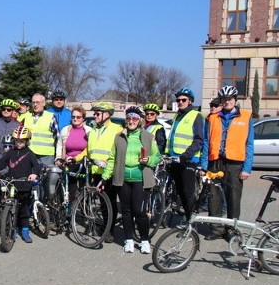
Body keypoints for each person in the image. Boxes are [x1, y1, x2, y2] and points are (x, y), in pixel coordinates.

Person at [98, 107, 161, 254]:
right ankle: (129, 240)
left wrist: (149, 160)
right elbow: (112, 159)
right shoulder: (119, 137)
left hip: (141, 179)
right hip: (123, 179)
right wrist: (105, 178)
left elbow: (157, 157)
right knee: (126, 211)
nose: (131, 121)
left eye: (134, 119)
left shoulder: (148, 137)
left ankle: (145, 240)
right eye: (129, 118)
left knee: (139, 212)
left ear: (140, 121)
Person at [201, 85, 254, 241]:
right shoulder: (212, 118)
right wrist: (204, 165)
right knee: (214, 196)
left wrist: (247, 168)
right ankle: (216, 228)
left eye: (230, 99)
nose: (227, 102)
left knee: (233, 197)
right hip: (215, 161)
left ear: (235, 100)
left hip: (235, 163)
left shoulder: (246, 116)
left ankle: (231, 229)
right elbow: (206, 141)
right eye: (224, 99)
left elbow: (249, 144)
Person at [0, 126, 40, 243]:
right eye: (17, 141)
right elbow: (0, 163)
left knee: (24, 210)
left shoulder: (29, 153)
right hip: (11, 184)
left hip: (24, 185)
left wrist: (34, 174)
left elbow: (36, 167)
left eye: (21, 141)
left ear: (27, 141)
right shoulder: (10, 153)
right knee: (10, 206)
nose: (19, 143)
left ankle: (25, 230)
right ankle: (10, 228)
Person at [166, 88, 204, 229]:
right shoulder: (177, 116)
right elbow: (173, 138)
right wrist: (168, 155)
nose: (180, 102)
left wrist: (186, 155)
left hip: (188, 160)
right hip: (175, 160)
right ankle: (187, 219)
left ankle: (191, 223)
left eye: (183, 100)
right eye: (178, 100)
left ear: (190, 101)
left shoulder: (196, 115)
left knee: (189, 193)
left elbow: (199, 139)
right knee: (180, 192)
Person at [87, 102, 123, 243]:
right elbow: (88, 150)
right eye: (94, 113)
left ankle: (110, 230)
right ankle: (106, 226)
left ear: (107, 114)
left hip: (109, 171)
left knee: (110, 202)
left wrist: (109, 165)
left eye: (97, 114)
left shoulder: (117, 129)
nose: (94, 116)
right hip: (96, 170)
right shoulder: (94, 129)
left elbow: (120, 151)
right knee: (102, 202)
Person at [55, 105, 91, 201]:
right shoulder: (66, 130)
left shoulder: (88, 131)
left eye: (78, 117)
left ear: (83, 118)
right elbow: (59, 144)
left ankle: (84, 209)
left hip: (83, 162)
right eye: (73, 117)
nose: (75, 119)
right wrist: (58, 158)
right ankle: (70, 211)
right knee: (71, 190)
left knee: (84, 189)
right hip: (69, 162)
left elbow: (91, 147)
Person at [26, 93, 59, 167]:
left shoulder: (50, 117)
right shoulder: (27, 117)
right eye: (33, 102)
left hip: (46, 156)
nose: (35, 104)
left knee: (47, 177)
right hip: (30, 154)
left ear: (44, 103)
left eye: (37, 102)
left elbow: (57, 137)